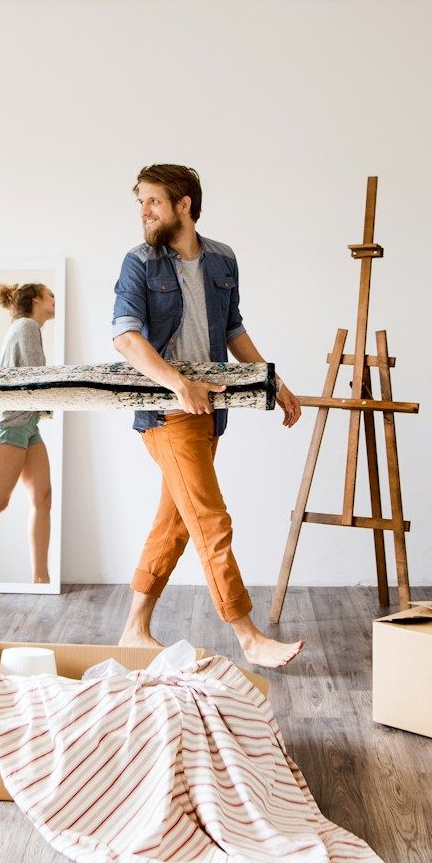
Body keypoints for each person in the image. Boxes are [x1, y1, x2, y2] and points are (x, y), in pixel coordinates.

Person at [111, 163, 307, 669]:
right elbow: (126, 337)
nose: (144, 212)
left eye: (152, 201)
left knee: (174, 525)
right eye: (140, 202)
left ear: (184, 205)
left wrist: (273, 381)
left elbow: (235, 330)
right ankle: (247, 635)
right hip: (166, 414)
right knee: (210, 520)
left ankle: (134, 630)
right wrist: (178, 385)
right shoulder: (139, 263)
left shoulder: (222, 260)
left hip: (209, 414)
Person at [0, 282, 57, 584]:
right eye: (50, 295)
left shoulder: (26, 327)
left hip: (27, 423)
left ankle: (41, 579)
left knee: (42, 498)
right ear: (35, 300)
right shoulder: (26, 326)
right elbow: (36, 377)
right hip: (10, 422)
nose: (54, 300)